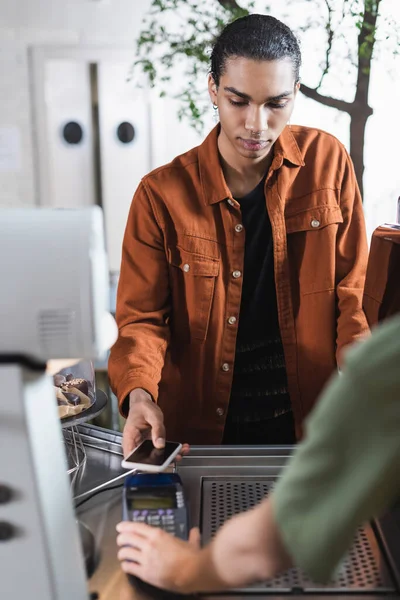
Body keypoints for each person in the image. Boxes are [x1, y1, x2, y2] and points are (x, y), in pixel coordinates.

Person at [108, 14, 369, 456]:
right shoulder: (161, 195)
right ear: (213, 88)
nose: (257, 124)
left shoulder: (328, 160)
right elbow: (142, 320)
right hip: (201, 433)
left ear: (296, 94)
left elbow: (352, 293)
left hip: (313, 425)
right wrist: (139, 395)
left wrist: (364, 381)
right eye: (239, 100)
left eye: (275, 103)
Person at [116, 313, 400, 592]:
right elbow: (142, 317)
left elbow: (277, 541)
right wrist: (140, 392)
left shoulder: (386, 363)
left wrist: (188, 570)